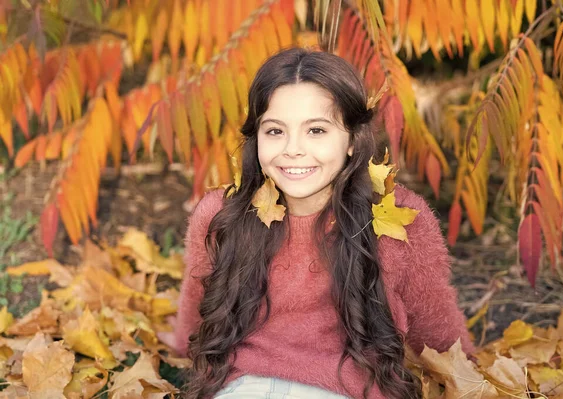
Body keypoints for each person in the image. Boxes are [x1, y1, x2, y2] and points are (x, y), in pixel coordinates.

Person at [163, 47, 475, 399]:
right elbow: (199, 306)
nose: (293, 149)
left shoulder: (398, 219)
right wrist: (179, 343)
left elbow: (435, 326)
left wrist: (470, 376)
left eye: (316, 130)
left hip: (349, 390)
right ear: (256, 137)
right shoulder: (222, 215)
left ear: (353, 142)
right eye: (275, 131)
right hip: (245, 387)